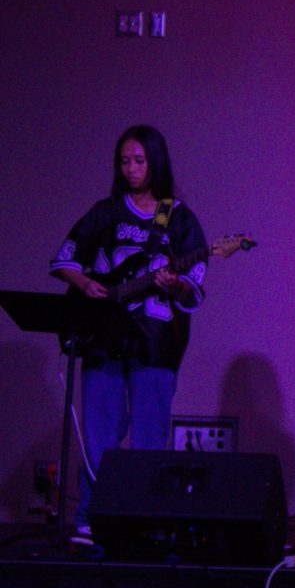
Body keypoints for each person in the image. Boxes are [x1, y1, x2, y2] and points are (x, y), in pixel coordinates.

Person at [50, 125, 207, 540]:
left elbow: (194, 284)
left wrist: (176, 284)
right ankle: (90, 515)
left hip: (156, 343)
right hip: (103, 337)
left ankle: (146, 519)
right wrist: (85, 284)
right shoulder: (105, 212)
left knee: (149, 436)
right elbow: (64, 259)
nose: (132, 169)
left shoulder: (178, 217)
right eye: (125, 161)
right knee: (100, 433)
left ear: (156, 162)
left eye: (139, 160)